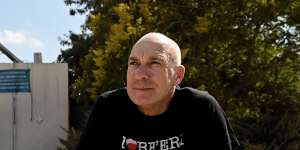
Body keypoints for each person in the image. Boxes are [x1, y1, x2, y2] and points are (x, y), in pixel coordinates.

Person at [76, 32, 239, 150]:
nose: (140, 75)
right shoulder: (109, 108)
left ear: (178, 75)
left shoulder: (201, 109)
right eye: (134, 63)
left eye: (154, 63)